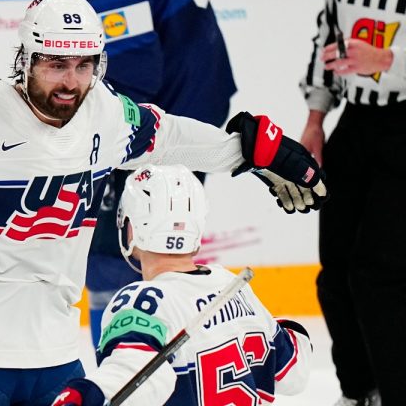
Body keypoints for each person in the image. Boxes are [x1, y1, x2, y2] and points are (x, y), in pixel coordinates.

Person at [0, 0, 326, 405]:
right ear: (24, 60)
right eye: (55, 65)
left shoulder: (104, 113)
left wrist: (245, 151)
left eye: (83, 66)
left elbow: (167, 137)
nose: (70, 83)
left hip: (54, 356)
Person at [60, 0, 238, 348]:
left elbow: (135, 73)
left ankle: (130, 372)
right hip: (186, 110)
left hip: (164, 122)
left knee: (120, 255)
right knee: (155, 253)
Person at [51, 164, 312, 406]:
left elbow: (132, 375)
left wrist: (84, 395)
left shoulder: (142, 301)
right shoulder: (234, 287)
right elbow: (294, 373)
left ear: (130, 228)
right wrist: (284, 328)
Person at [299, 0, 406, 405]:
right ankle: (360, 391)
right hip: (358, 124)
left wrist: (388, 58)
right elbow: (329, 32)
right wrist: (314, 119)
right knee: (337, 271)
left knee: (380, 273)